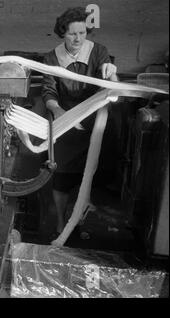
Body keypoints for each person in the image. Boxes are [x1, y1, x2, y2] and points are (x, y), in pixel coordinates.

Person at [41, 7, 118, 235]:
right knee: (62, 177)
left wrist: (112, 71)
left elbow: (113, 87)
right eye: (72, 34)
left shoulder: (98, 52)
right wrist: (58, 111)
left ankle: (84, 220)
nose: (78, 39)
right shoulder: (52, 58)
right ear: (62, 33)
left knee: (94, 174)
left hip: (96, 124)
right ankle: (60, 223)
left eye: (82, 33)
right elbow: (49, 91)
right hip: (66, 122)